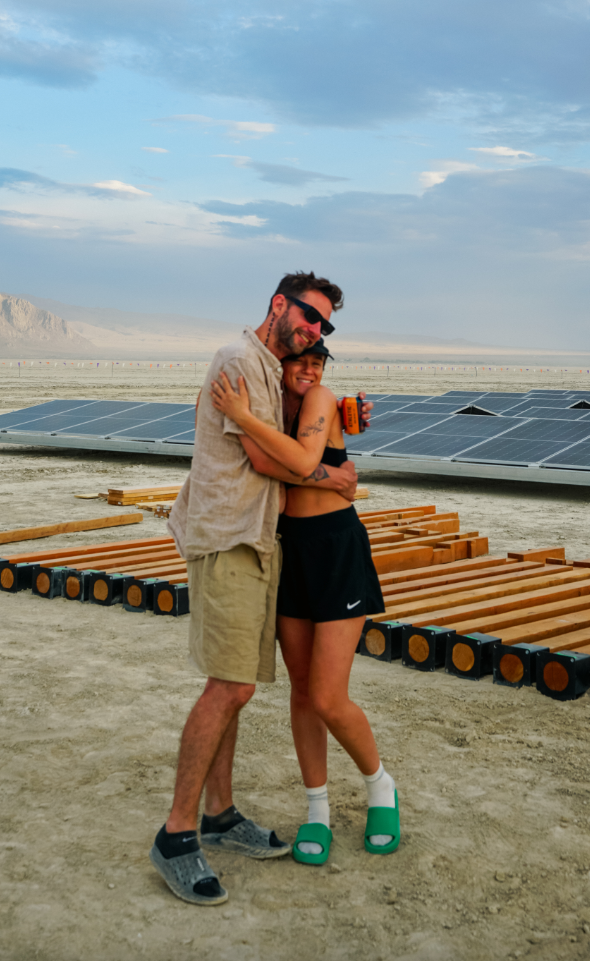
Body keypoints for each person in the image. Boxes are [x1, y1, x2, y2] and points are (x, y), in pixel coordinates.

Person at [151, 272, 361, 906]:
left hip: (257, 538)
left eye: (325, 326)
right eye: (309, 316)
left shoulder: (271, 370)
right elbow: (276, 460)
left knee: (235, 682)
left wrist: (334, 432)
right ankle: (177, 834)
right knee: (231, 686)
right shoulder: (240, 361)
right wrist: (331, 473)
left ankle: (219, 813)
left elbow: (292, 439)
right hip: (229, 538)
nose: (315, 331)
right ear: (278, 305)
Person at [209, 339, 399, 866]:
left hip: (336, 547)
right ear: (281, 364)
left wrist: (244, 418)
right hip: (289, 549)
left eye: (319, 362)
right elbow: (262, 460)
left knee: (328, 697)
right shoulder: (271, 406)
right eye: (302, 361)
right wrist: (330, 474)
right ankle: (317, 809)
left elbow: (301, 459)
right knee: (300, 693)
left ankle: (381, 788)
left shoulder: (321, 399)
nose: (311, 370)